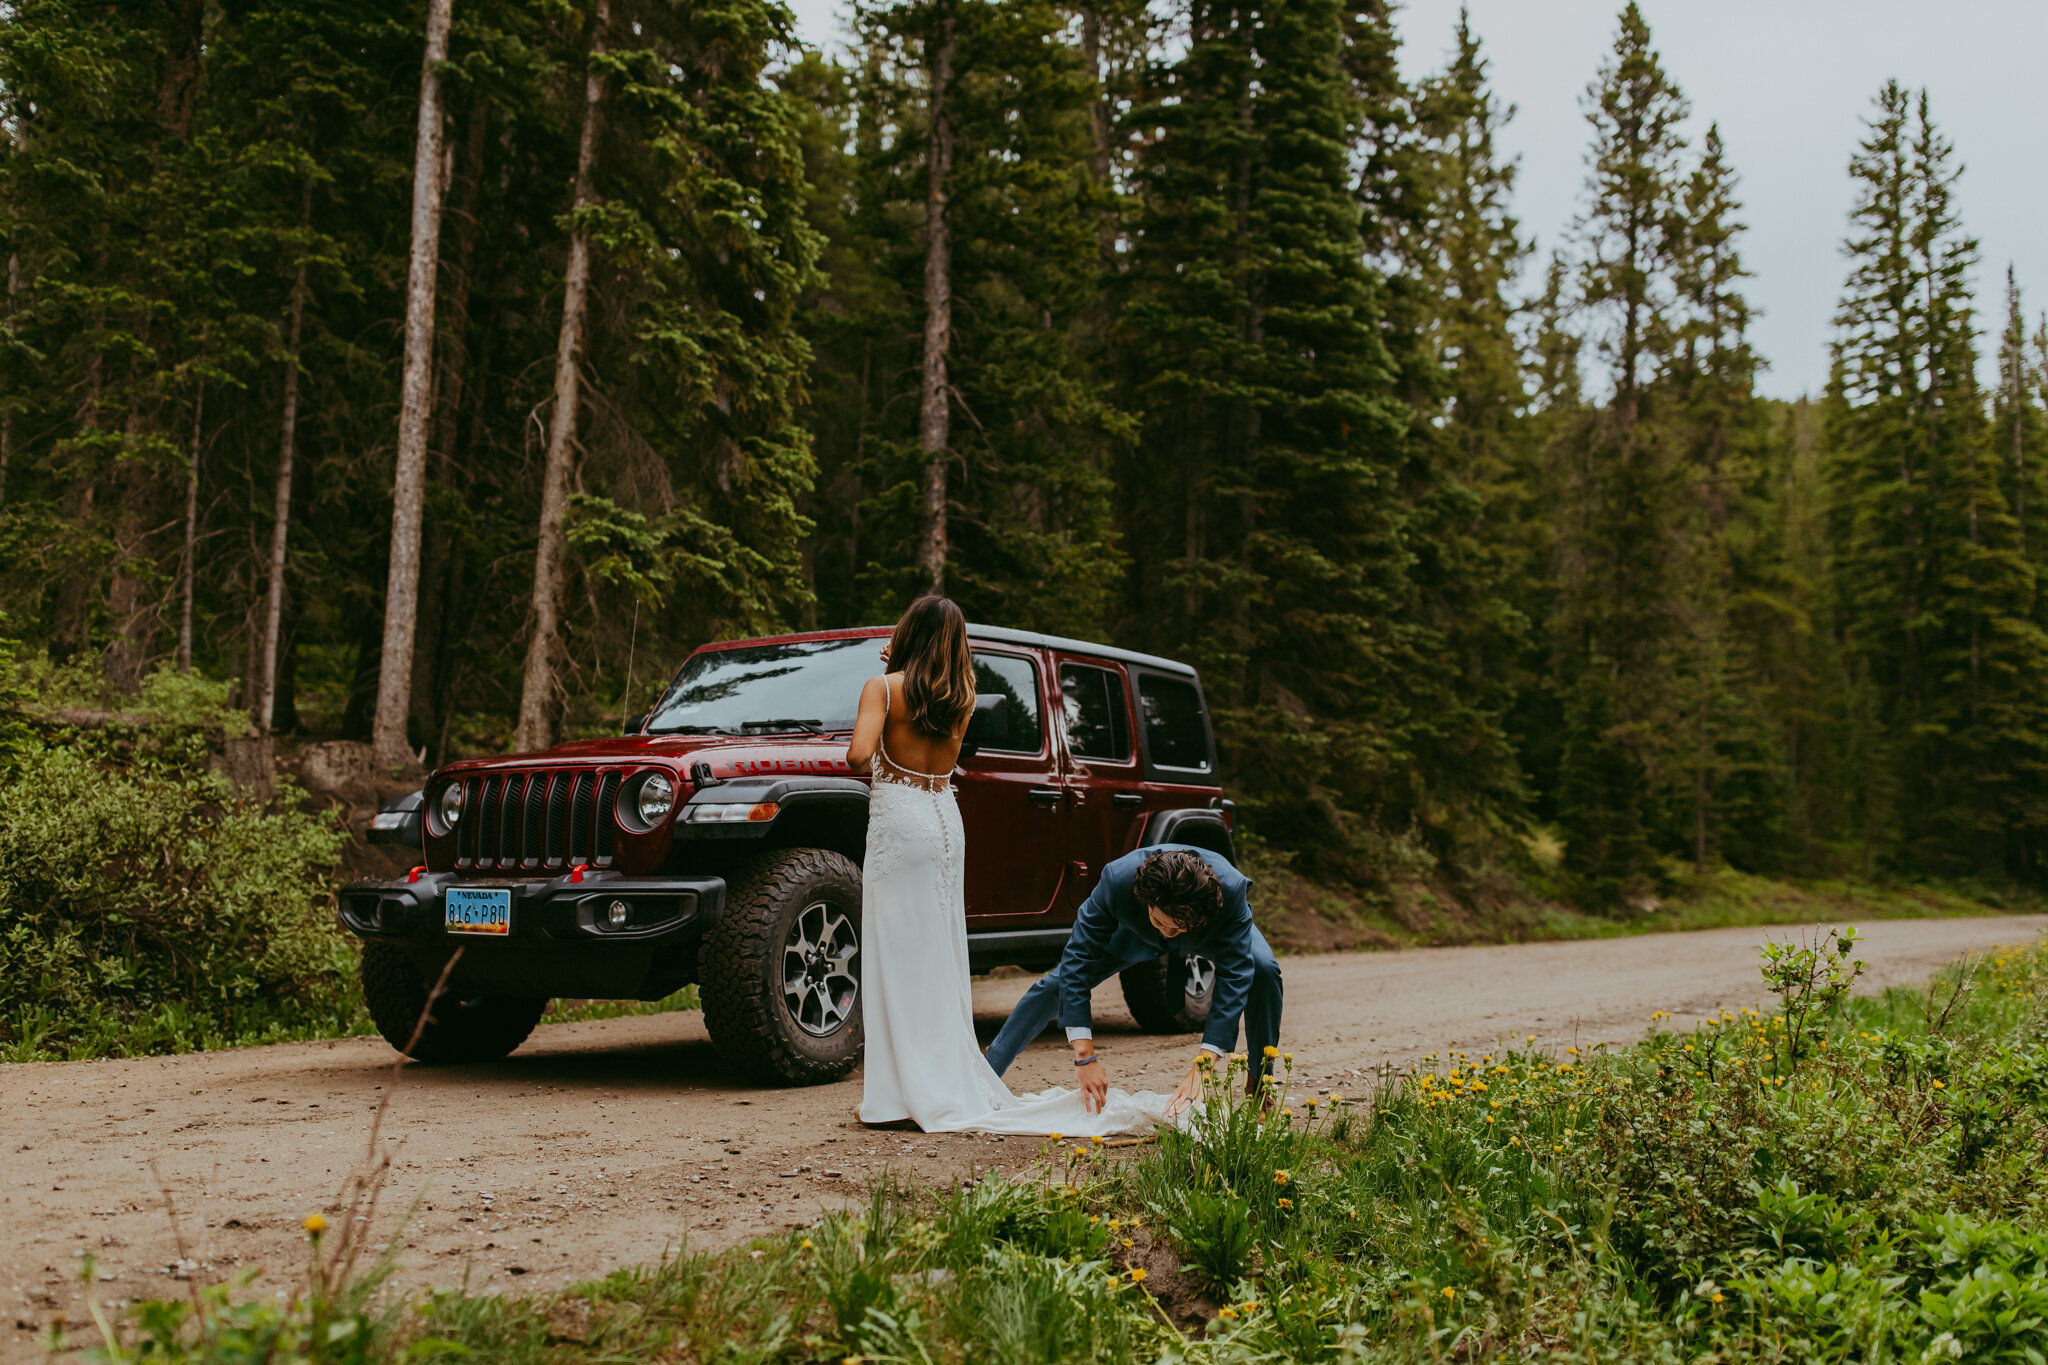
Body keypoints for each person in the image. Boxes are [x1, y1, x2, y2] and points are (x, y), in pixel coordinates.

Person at [845, 595, 1173, 1134]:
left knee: (896, 956)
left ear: (907, 632)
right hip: (945, 823)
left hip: (900, 829)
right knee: (940, 956)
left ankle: (896, 1097)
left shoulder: (883, 688)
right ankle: (937, 1082)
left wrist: (880, 688)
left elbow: (860, 755)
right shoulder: (965, 695)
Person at [983, 845, 1284, 1114]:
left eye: (1176, 928)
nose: (1168, 933)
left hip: (1206, 934)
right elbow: (1077, 959)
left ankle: (1259, 1086)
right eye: (1161, 923)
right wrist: (1085, 1056)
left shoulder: (1231, 893)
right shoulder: (1117, 880)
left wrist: (1203, 1070)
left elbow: (1235, 976)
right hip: (1134, 932)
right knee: (1058, 983)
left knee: (1264, 968)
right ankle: (986, 1072)